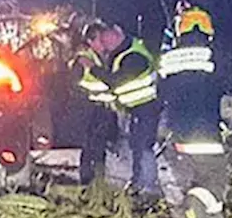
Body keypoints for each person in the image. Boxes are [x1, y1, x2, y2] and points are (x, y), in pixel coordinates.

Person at [158, 0, 227, 218]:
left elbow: (161, 90)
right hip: (207, 132)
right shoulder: (213, 55)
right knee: (216, 182)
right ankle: (189, 212)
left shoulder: (169, 60)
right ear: (208, 31)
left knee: (201, 177)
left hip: (179, 134)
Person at [85, 20, 161, 199]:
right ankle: (138, 184)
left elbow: (115, 81)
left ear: (117, 33)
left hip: (146, 109)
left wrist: (92, 68)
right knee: (137, 147)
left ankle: (147, 190)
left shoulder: (134, 56)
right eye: (102, 42)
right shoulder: (121, 53)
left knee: (144, 148)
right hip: (136, 110)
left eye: (106, 40)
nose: (105, 45)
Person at [66, 41, 118, 187]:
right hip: (90, 110)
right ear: (92, 41)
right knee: (91, 147)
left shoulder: (100, 58)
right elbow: (74, 85)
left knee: (98, 147)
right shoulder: (83, 61)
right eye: (101, 40)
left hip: (103, 109)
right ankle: (89, 182)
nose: (104, 44)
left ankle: (98, 182)